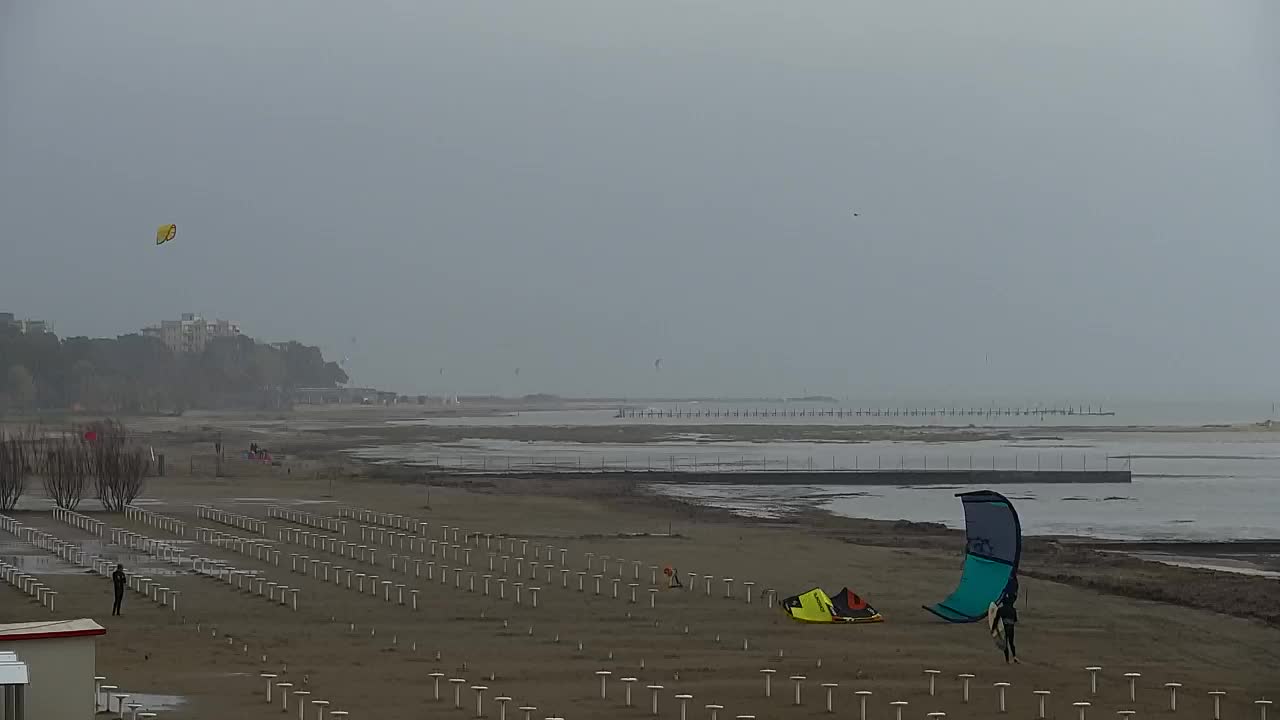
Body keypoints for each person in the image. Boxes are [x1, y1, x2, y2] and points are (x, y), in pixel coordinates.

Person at [997, 588, 1019, 663]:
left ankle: (1007, 660)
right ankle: (1014, 657)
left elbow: (997, 619)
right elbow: (1015, 620)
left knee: (1005, 644)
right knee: (1011, 643)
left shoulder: (1001, 610)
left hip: (1003, 627)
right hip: (1011, 627)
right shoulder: (1013, 610)